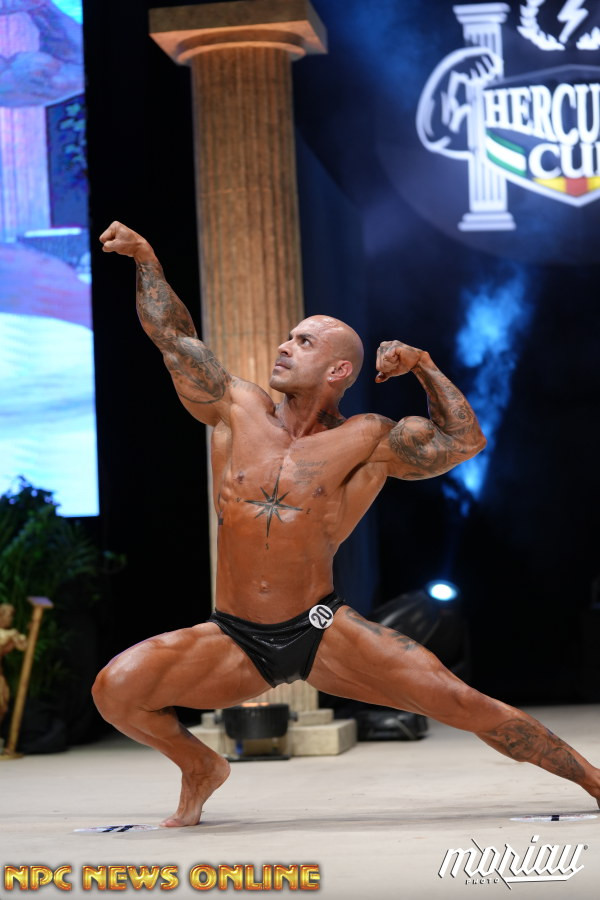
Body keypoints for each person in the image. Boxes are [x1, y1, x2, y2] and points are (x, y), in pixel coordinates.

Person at [93, 221, 600, 827]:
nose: (284, 346)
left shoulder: (369, 440)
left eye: (303, 342)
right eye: (287, 337)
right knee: (115, 689)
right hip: (233, 635)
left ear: (337, 370)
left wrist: (423, 366)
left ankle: (594, 780)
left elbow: (464, 441)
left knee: (464, 703)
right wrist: (146, 257)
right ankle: (200, 765)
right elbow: (174, 338)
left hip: (320, 628)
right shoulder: (235, 408)